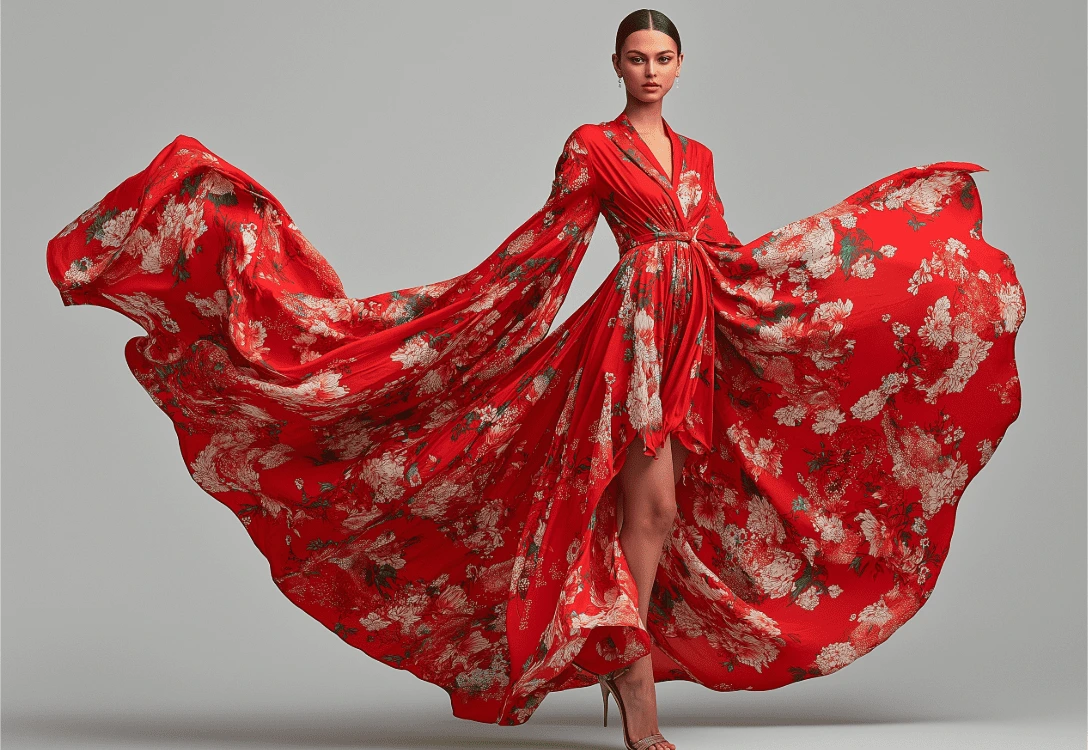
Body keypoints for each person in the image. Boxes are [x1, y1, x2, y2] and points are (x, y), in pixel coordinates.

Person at [44, 8, 1025, 750]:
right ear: (615, 66)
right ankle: (633, 698)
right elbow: (549, 247)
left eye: (662, 58)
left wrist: (804, 280)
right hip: (631, 331)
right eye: (634, 58)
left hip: (694, 322)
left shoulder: (696, 157)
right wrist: (465, 316)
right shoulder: (591, 148)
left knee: (668, 514)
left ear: (678, 67)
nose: (648, 70)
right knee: (642, 514)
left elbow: (715, 244)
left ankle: (615, 658)